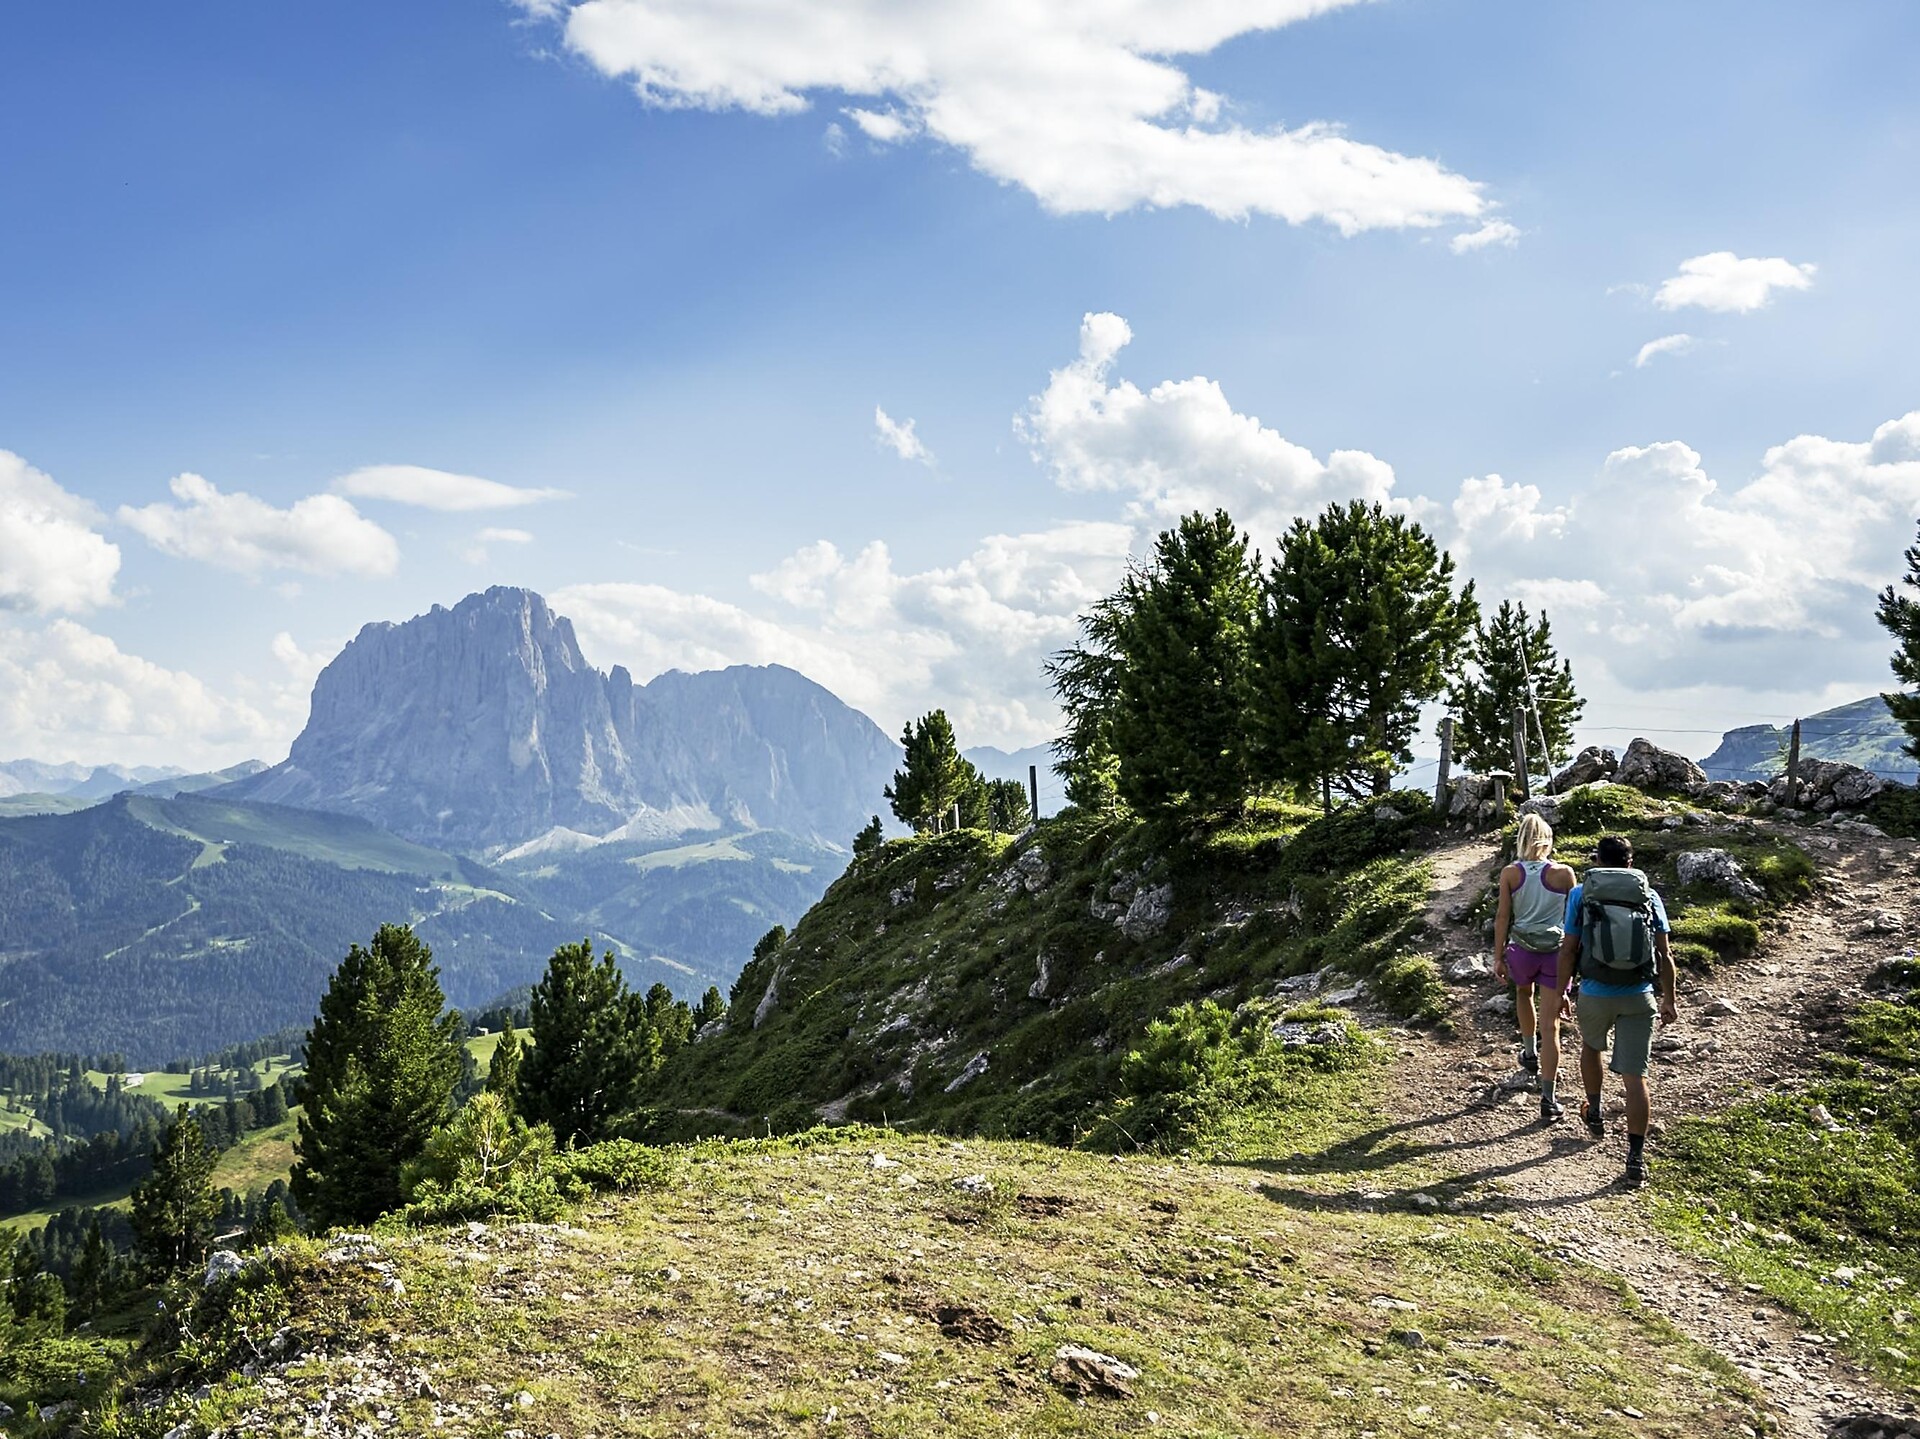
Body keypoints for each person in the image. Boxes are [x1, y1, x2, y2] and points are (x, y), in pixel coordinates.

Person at [1554, 834, 1679, 1187]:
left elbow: (1568, 950)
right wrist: (1669, 998)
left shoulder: (1582, 894)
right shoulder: (1648, 895)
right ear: (1630, 861)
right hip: (1639, 995)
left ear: (1597, 860)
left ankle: (1594, 1111)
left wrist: (1564, 990)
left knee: (1591, 1048)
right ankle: (1636, 1160)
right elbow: (1664, 954)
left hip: (1594, 992)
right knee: (1635, 1077)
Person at [1490, 813, 1577, 1122]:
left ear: (1521, 839)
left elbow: (1503, 917)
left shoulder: (1511, 873)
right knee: (1551, 1025)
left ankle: (1529, 1053)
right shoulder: (1565, 874)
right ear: (1548, 838)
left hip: (1521, 950)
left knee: (1524, 995)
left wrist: (1498, 956)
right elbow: (1574, 921)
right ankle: (1549, 1098)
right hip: (1555, 953)